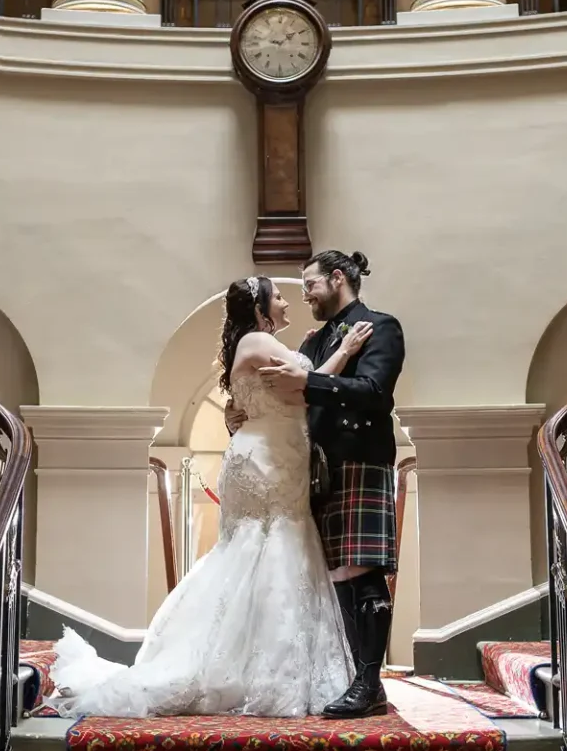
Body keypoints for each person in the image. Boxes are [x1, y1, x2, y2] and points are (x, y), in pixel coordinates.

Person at [44, 276, 372, 717]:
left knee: (263, 550)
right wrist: (346, 350)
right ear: (260, 308)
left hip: (275, 452)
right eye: (277, 297)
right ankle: (264, 673)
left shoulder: (255, 342)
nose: (285, 302)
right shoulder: (257, 340)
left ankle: (253, 667)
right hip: (268, 459)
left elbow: (288, 387)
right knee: (272, 548)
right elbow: (307, 383)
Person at [252, 250, 407, 718]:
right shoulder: (318, 339)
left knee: (364, 571)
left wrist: (309, 380)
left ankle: (368, 683)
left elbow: (377, 393)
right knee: (338, 575)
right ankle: (357, 680)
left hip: (360, 458)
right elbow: (297, 397)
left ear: (338, 278)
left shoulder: (381, 327)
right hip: (319, 467)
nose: (306, 297)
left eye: (310, 286)